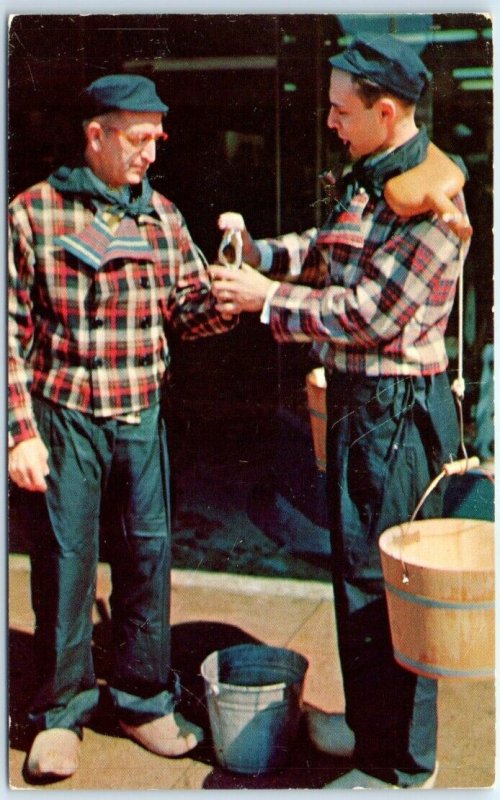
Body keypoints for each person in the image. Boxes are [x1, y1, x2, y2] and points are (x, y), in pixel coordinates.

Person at [210, 35, 470, 789]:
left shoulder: (435, 203)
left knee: (389, 589)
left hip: (395, 412)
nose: (328, 120)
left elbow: (370, 315)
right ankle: (369, 731)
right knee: (356, 579)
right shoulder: (372, 178)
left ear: (385, 111)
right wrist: (260, 255)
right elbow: (329, 253)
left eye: (339, 109)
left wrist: (266, 304)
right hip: (361, 408)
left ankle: (400, 768)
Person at [8, 74, 236, 781]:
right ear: (96, 135)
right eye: (138, 140)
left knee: (147, 557)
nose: (149, 154)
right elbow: (8, 333)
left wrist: (231, 291)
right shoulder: (31, 215)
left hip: (140, 413)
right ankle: (59, 715)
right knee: (66, 565)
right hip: (64, 416)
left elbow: (190, 312)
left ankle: (142, 700)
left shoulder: (162, 218)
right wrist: (19, 432)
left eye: (155, 141)